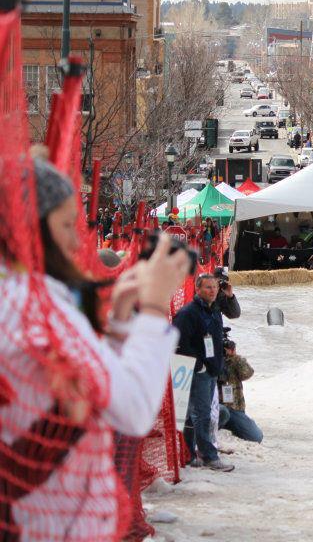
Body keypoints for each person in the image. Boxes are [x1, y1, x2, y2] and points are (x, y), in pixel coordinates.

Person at [0, 157, 190, 538]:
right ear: (29, 227)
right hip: (54, 521)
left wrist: (120, 320)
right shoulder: (38, 306)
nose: (75, 241)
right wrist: (153, 308)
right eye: (67, 225)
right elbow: (131, 409)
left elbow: (99, 382)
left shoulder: (17, 298)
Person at [173, 273, 235, 472]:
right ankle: (209, 456)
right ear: (197, 289)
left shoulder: (214, 310)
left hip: (211, 371)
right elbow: (179, 341)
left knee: (196, 414)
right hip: (198, 371)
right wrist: (199, 365)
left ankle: (189, 454)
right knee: (201, 414)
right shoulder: (188, 313)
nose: (213, 291)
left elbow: (233, 314)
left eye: (215, 287)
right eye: (208, 287)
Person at [217, 338, 263, 443]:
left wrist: (234, 356)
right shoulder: (210, 360)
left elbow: (247, 373)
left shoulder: (234, 361)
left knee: (256, 437)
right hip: (217, 408)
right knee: (222, 412)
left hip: (234, 409)